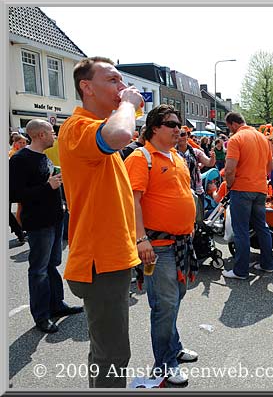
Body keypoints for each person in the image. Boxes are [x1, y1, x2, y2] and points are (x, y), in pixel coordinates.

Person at [58, 56, 143, 388]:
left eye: (121, 81)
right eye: (112, 80)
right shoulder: (77, 128)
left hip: (111, 259)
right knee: (112, 357)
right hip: (99, 262)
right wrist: (131, 105)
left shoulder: (93, 130)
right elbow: (121, 132)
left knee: (108, 353)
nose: (121, 88)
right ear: (86, 87)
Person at [124, 105, 199, 386]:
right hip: (158, 246)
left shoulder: (177, 156)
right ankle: (165, 364)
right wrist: (142, 239)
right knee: (164, 305)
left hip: (181, 243)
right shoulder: (141, 158)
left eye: (178, 124)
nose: (177, 128)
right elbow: (133, 201)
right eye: (171, 124)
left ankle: (174, 348)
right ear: (155, 127)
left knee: (174, 301)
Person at [9, 119, 83, 334]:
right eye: (52, 132)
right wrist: (47, 186)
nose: (55, 136)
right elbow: (14, 194)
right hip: (39, 223)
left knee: (52, 264)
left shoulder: (43, 157)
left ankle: (57, 305)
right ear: (41, 134)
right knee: (39, 270)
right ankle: (41, 316)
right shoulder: (20, 159)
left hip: (55, 218)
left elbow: (52, 185)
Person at [222, 112, 273, 279]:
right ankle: (267, 264)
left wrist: (230, 185)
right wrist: (260, 178)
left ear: (233, 124)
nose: (230, 131)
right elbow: (270, 166)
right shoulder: (262, 138)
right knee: (262, 227)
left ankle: (241, 271)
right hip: (260, 188)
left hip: (242, 188)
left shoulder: (236, 139)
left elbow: (230, 169)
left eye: (229, 128)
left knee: (241, 230)